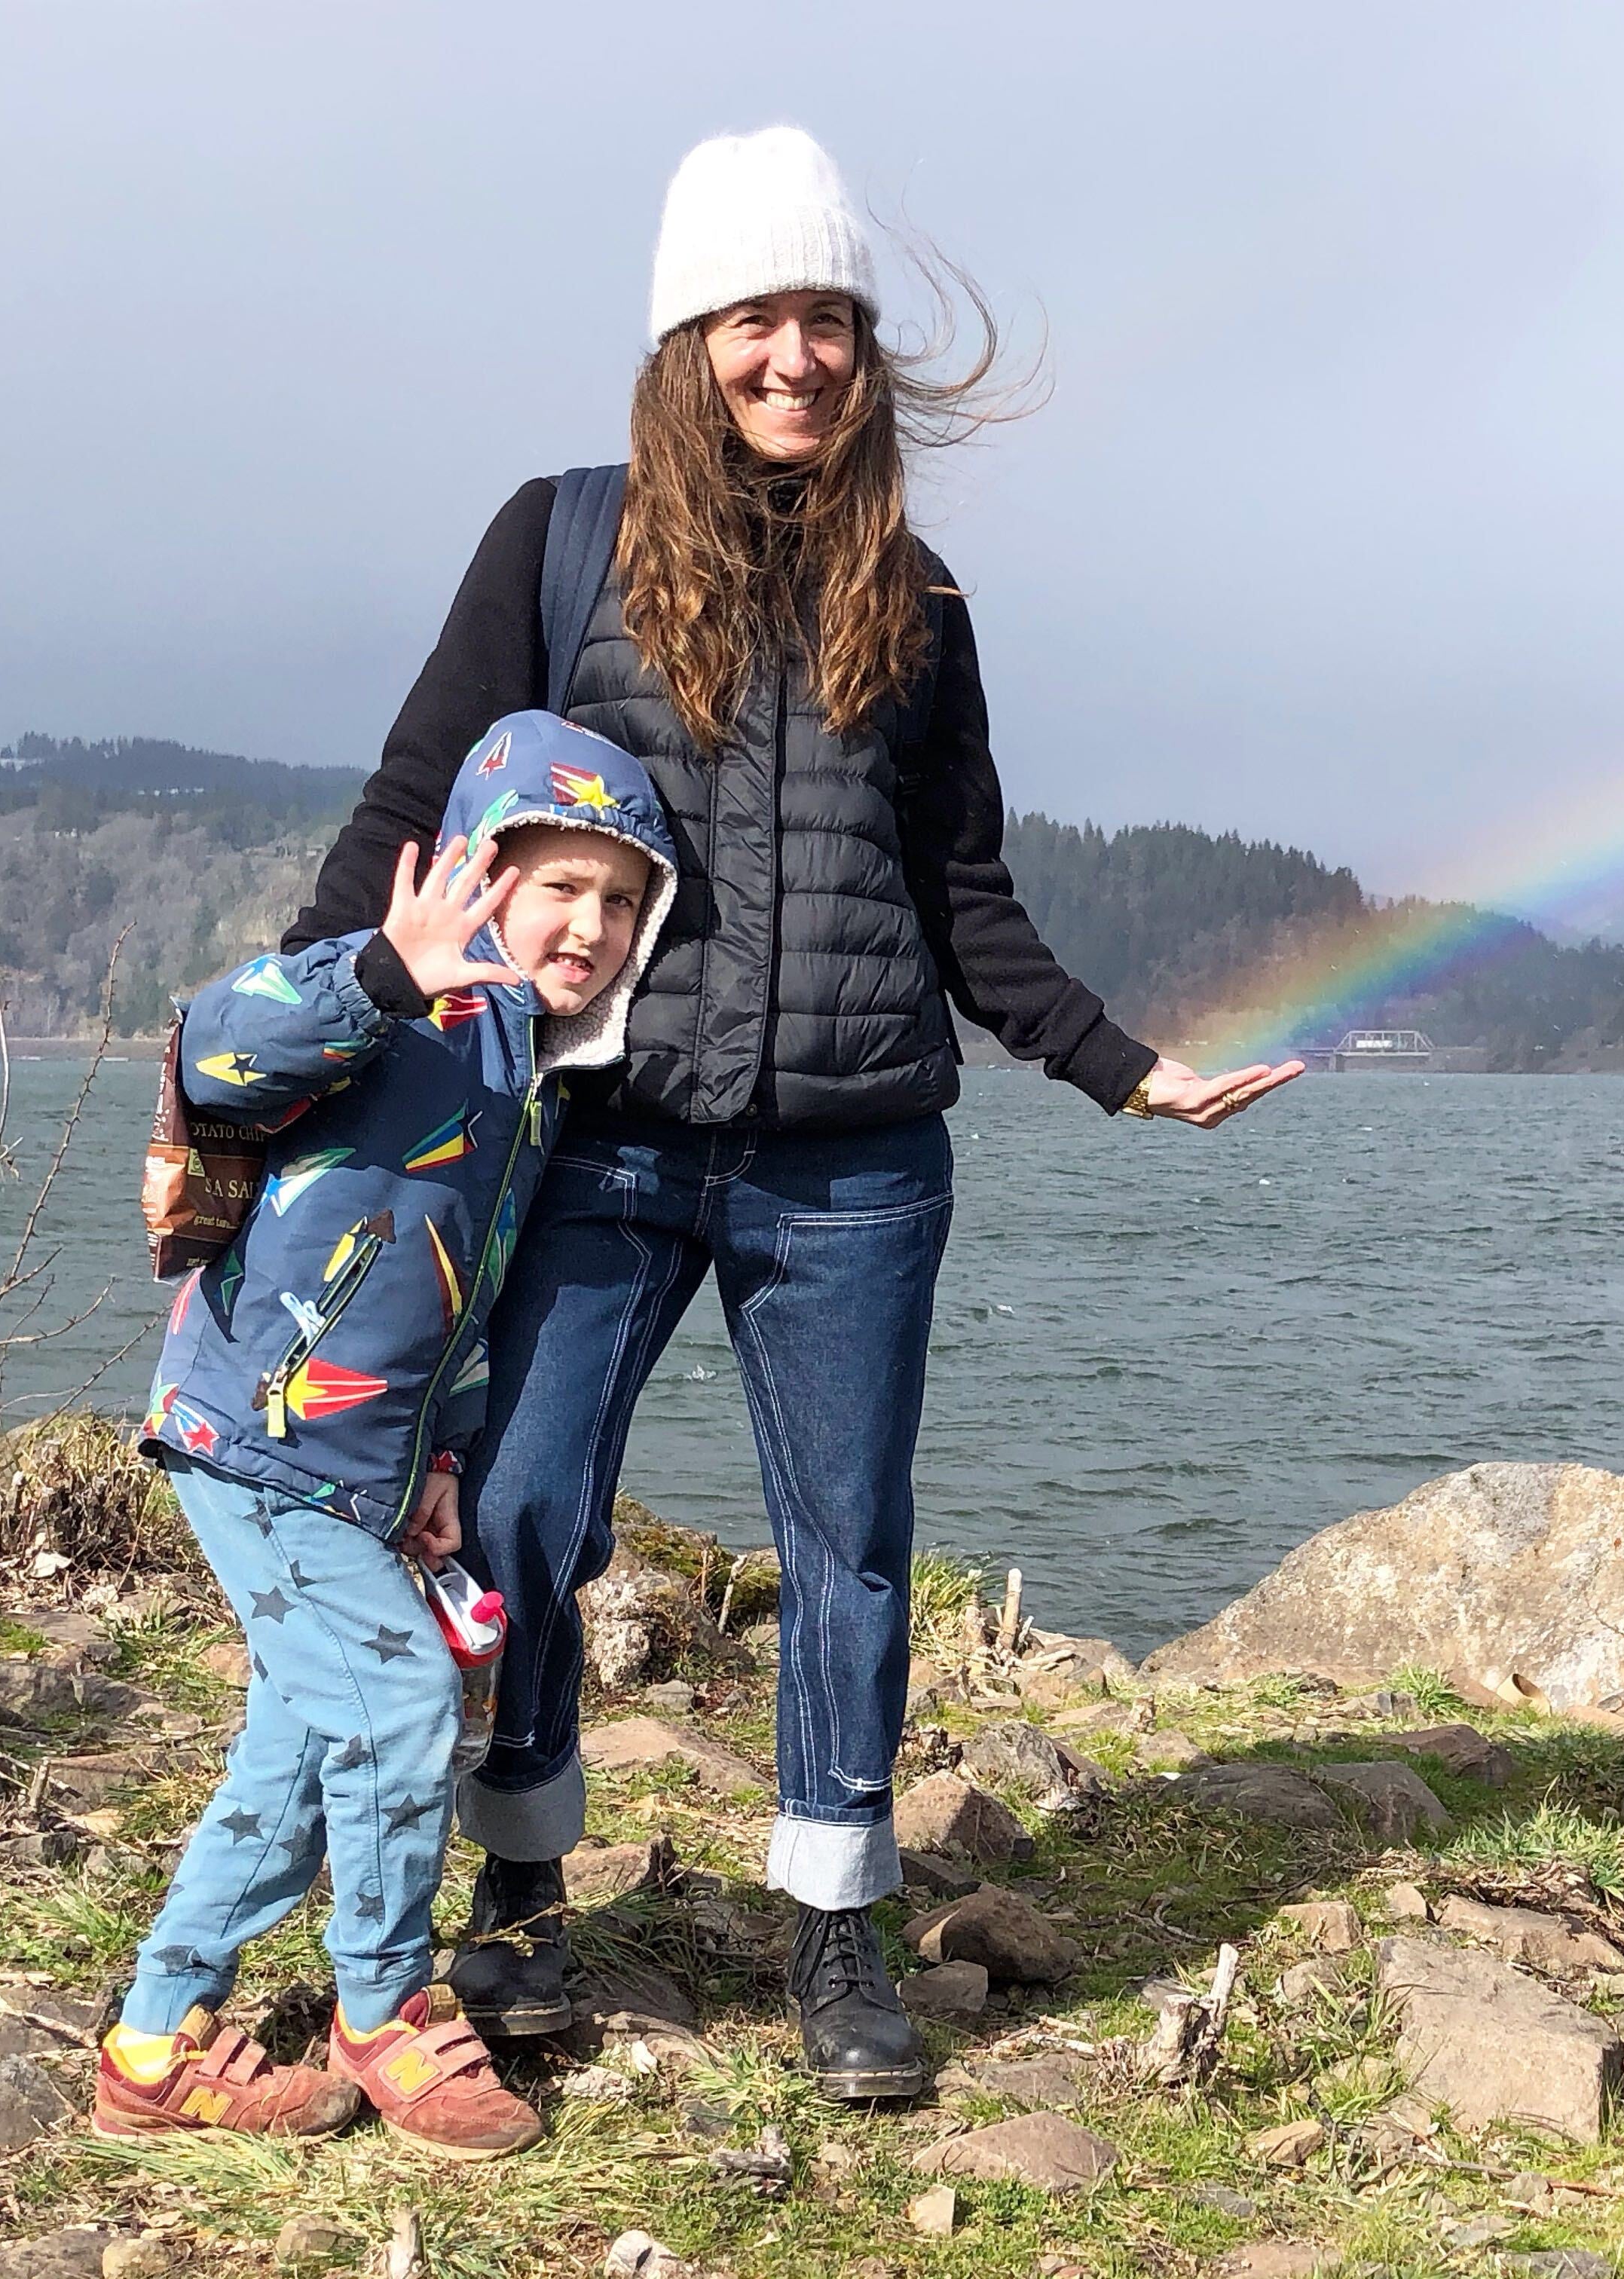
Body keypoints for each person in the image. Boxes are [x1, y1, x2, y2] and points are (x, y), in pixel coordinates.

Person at [283, 125, 1298, 2100]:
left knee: (847, 1545)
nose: (798, 356)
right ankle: (519, 1896)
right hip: (593, 1138)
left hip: (852, 1165)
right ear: (690, 338)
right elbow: (416, 813)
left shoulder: (914, 597)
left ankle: (838, 1930)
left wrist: (1121, 1066)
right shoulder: (556, 542)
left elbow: (963, 897)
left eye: (830, 318)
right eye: (758, 314)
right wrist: (285, 1036)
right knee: (517, 1507)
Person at [106, 710, 679, 2156]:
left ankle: (154, 2043)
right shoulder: (385, 997)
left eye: (622, 901)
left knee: (298, 1756)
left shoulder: (535, 1083)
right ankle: (385, 2009)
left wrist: (437, 1464)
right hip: (253, 1432)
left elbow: (457, 1300)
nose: (592, 925)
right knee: (408, 1707)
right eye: (561, 886)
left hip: (359, 1466)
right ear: (483, 871)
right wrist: (378, 970)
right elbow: (217, 1051)